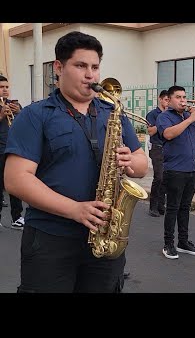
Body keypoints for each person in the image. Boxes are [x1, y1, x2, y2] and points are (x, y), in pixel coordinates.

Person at [4, 31, 148, 293]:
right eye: (81, 66)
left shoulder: (112, 111)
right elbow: (16, 179)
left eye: (95, 67)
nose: (91, 75)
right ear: (59, 68)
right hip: (50, 240)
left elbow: (141, 163)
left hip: (107, 238)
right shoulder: (35, 115)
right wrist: (74, 209)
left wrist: (131, 162)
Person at [156, 85, 195, 259]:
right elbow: (169, 135)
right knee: (172, 208)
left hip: (192, 170)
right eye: (178, 97)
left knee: (185, 208)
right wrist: (189, 119)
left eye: (184, 97)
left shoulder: (190, 115)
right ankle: (168, 244)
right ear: (170, 100)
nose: (183, 101)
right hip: (174, 170)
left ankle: (183, 241)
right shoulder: (163, 117)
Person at [0, 75, 25, 229]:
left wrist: (20, 113)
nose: (5, 90)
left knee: (15, 184)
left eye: (7, 87)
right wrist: (2, 114)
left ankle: (17, 217)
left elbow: (24, 125)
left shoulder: (15, 105)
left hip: (13, 150)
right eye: (2, 87)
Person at [146, 89, 170, 217]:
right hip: (156, 147)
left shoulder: (170, 114)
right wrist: (162, 117)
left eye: (169, 100)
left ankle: (161, 205)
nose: (167, 102)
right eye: (166, 100)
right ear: (160, 99)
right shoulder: (153, 114)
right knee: (159, 177)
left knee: (166, 178)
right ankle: (153, 206)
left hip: (168, 148)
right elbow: (150, 131)